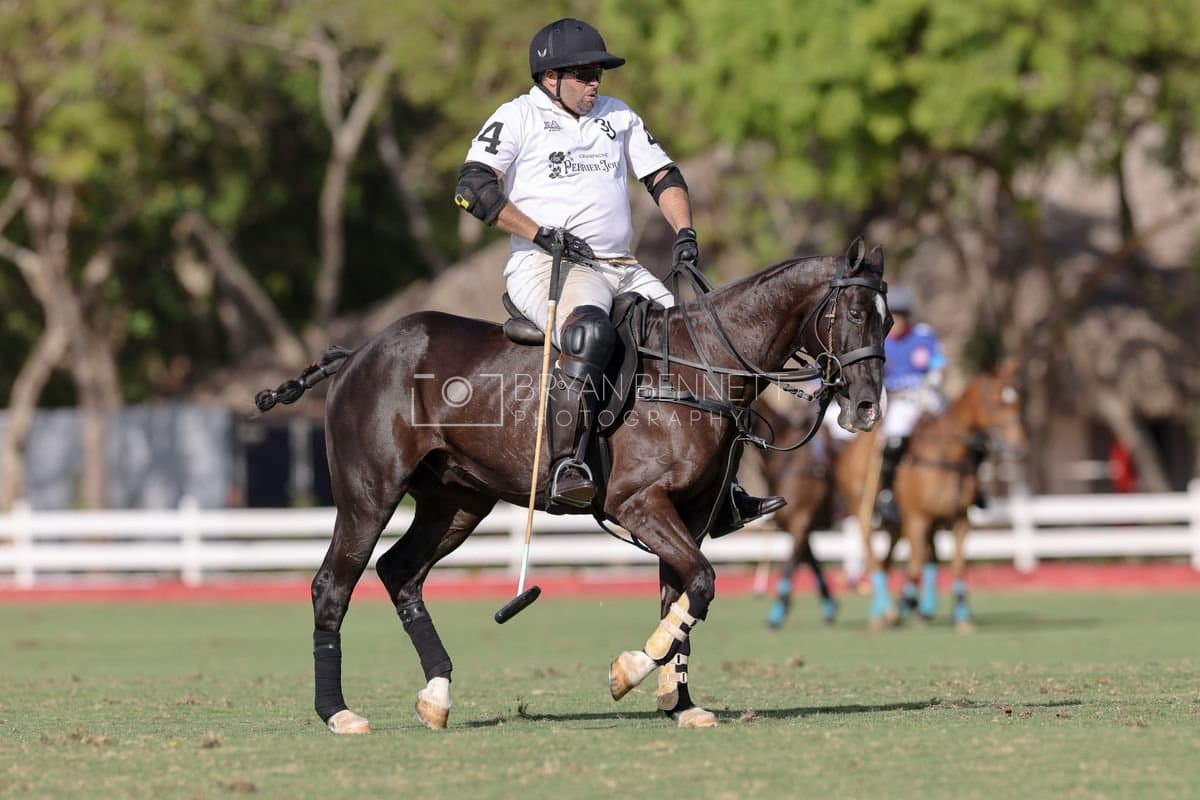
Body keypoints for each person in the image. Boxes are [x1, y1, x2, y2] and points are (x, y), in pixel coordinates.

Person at [454, 17, 783, 526]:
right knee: (588, 331)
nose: (594, 84)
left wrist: (684, 234)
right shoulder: (516, 117)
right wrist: (540, 232)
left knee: (707, 349)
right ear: (550, 78)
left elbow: (662, 175)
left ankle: (723, 487)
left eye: (598, 74)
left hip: (621, 267)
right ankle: (567, 465)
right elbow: (473, 188)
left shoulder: (618, 116)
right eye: (583, 74)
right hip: (548, 263)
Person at [874, 284, 946, 524]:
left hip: (925, 394)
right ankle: (886, 490)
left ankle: (973, 484)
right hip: (898, 399)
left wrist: (935, 376)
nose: (895, 323)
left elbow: (937, 363)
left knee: (956, 427)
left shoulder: (924, 336)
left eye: (899, 317)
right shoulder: (878, 339)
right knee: (896, 431)